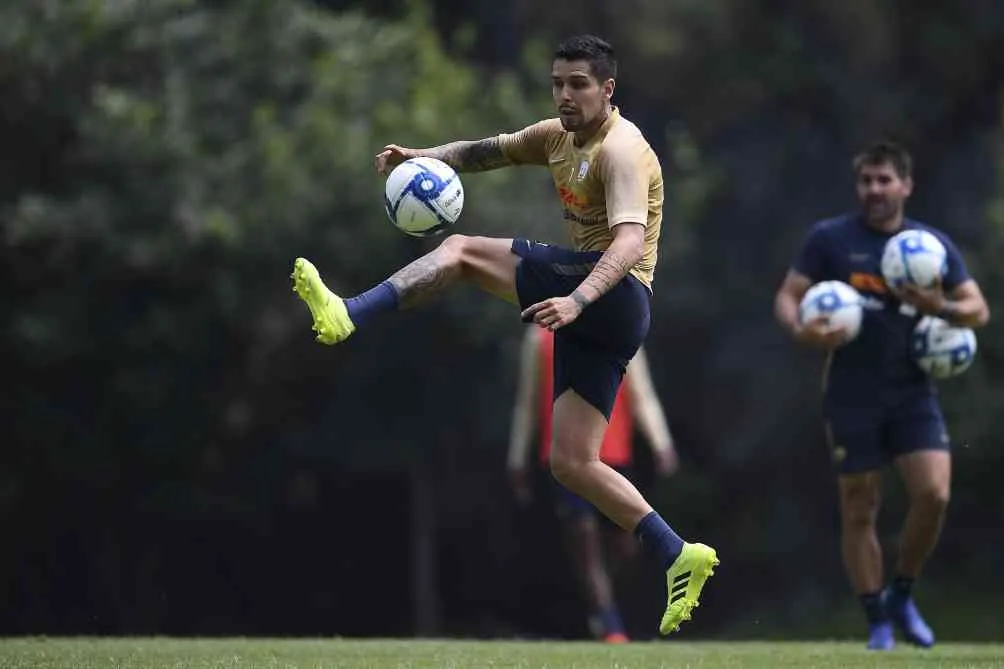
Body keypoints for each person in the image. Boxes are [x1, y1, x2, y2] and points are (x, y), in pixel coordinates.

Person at [290, 34, 718, 635]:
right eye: (558, 83)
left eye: (578, 84)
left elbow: (625, 242)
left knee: (461, 250)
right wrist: (420, 158)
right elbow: (482, 151)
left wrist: (577, 299)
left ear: (607, 89)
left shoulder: (622, 150)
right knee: (570, 463)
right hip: (604, 310)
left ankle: (349, 312)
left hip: (610, 292)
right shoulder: (555, 135)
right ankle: (679, 552)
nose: (565, 95)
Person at [773, 141, 990, 650]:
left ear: (906, 185)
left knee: (933, 494)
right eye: (866, 180)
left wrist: (938, 305)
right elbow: (788, 297)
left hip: (913, 390)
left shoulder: (930, 246)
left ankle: (903, 590)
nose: (874, 190)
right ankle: (876, 620)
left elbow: (977, 310)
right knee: (859, 507)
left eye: (884, 180)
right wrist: (803, 332)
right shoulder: (830, 239)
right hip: (851, 390)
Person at [508, 326, 678, 642]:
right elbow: (527, 404)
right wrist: (517, 458)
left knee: (625, 547)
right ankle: (610, 624)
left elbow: (642, 396)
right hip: (565, 459)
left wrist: (661, 443)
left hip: (614, 459)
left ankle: (597, 605)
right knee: (584, 538)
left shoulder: (623, 326)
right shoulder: (539, 338)